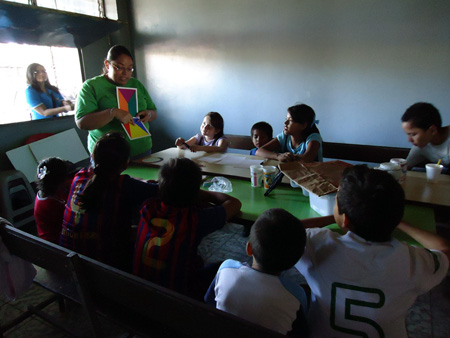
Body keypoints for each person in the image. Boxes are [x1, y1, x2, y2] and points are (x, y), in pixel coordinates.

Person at [295, 165, 450, 338]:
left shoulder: (317, 244)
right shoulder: (412, 261)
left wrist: (339, 217)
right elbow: (444, 249)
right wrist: (394, 219)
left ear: (345, 219)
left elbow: (286, 228)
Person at [133, 158, 241, 297]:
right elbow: (234, 203)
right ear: (194, 192)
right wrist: (201, 193)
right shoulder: (195, 219)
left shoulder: (148, 207)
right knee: (222, 267)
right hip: (177, 297)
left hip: (139, 289)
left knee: (197, 260)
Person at [60, 132, 158, 272]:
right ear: (125, 164)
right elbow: (160, 191)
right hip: (104, 267)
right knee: (144, 232)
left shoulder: (79, 176)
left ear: (93, 158)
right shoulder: (123, 184)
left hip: (68, 260)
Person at [205, 208, 309, 337]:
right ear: (295, 261)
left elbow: (209, 302)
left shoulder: (226, 268)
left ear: (249, 249)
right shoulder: (296, 294)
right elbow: (301, 331)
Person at [75, 45, 157, 159]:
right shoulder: (91, 86)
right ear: (107, 65)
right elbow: (82, 123)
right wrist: (112, 113)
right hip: (108, 156)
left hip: (141, 150)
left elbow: (154, 112)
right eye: (119, 67)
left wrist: (148, 114)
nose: (125, 74)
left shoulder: (136, 84)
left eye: (129, 69)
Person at [256, 104, 322, 162]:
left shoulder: (313, 137)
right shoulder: (284, 137)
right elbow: (259, 151)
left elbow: (307, 159)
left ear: (303, 125)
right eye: (286, 119)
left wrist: (288, 156)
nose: (285, 123)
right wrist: (278, 156)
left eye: (290, 120)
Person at [34, 157, 75, 244]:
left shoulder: (48, 190)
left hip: (58, 233)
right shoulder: (50, 204)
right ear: (60, 180)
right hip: (57, 241)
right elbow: (72, 221)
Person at [401, 102, 449, 172]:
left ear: (432, 130)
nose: (409, 140)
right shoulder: (421, 146)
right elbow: (404, 169)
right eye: (408, 134)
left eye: (413, 134)